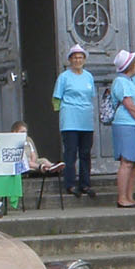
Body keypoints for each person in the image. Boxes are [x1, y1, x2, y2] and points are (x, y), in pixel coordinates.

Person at [50, 44, 95, 197]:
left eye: (80, 57)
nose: (78, 60)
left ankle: (85, 184)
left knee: (85, 153)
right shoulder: (64, 77)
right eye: (75, 57)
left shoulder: (89, 76)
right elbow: (56, 99)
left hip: (86, 120)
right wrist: (63, 113)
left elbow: (91, 96)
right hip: (70, 119)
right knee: (70, 153)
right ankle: (70, 184)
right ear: (70, 60)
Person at [110, 49, 135, 207]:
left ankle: (129, 197)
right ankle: (122, 198)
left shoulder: (130, 81)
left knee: (134, 162)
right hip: (126, 124)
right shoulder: (121, 82)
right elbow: (129, 105)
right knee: (127, 161)